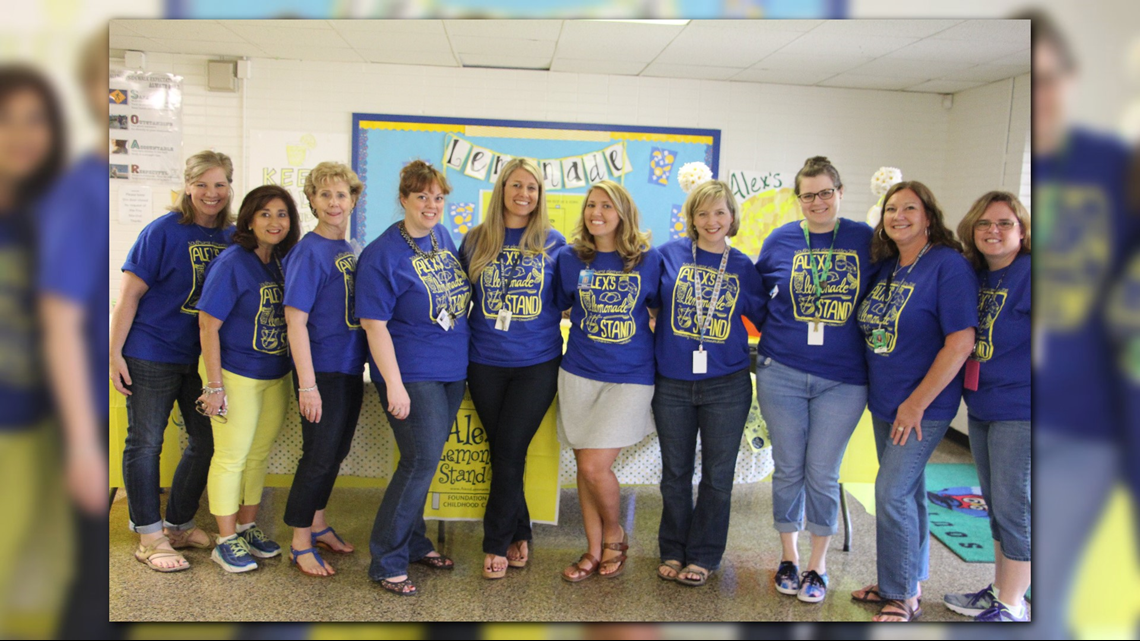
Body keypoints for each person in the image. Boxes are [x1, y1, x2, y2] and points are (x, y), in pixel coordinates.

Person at [851, 181, 977, 622]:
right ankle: (909, 578)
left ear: (928, 216)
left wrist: (917, 403)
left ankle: (900, 593)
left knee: (890, 492)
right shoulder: (889, 267)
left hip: (923, 406)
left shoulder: (948, 266)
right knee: (910, 492)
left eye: (909, 208)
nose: (898, 216)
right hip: (887, 401)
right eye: (890, 209)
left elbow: (960, 342)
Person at [753, 156, 874, 603]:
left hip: (842, 380)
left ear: (840, 192)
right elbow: (759, 295)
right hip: (781, 371)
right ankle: (787, 555)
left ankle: (817, 565)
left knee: (823, 472)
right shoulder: (781, 239)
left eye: (826, 192)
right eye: (809, 195)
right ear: (798, 199)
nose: (818, 201)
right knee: (787, 468)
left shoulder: (865, 239)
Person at [109, 150, 236, 571]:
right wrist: (112, 355)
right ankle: (148, 535)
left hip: (202, 361)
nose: (210, 193)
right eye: (201, 184)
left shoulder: (232, 237)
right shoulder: (163, 231)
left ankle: (178, 525)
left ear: (230, 187)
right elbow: (129, 297)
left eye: (219, 184)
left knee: (205, 442)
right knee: (145, 442)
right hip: (152, 352)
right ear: (187, 186)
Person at [357, 160, 471, 596]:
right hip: (411, 374)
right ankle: (386, 560)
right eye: (422, 196)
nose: (431, 205)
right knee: (419, 461)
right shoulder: (382, 254)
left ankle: (415, 542)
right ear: (403, 198)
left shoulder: (442, 238)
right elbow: (374, 325)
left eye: (439, 197)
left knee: (426, 462)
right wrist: (396, 385)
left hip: (450, 371)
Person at [652, 179, 766, 588]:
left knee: (718, 477)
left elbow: (768, 316)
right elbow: (644, 300)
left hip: (726, 385)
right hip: (673, 384)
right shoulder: (667, 256)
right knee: (675, 474)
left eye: (719, 212)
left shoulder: (742, 266)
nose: (711, 220)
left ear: (731, 218)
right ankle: (672, 548)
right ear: (691, 219)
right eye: (702, 213)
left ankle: (704, 554)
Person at [458, 158, 566, 580]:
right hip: (483, 362)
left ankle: (495, 543)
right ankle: (522, 532)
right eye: (517, 185)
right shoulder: (475, 240)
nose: (524, 194)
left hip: (536, 364)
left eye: (533, 188)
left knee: (509, 450)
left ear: (540, 196)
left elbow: (572, 298)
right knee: (504, 452)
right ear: (502, 188)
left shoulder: (554, 244)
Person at [554, 180, 662, 582]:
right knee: (584, 466)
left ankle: (615, 533)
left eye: (606, 206)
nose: (596, 213)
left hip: (630, 376)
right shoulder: (569, 258)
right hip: (579, 373)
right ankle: (593, 549)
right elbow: (557, 307)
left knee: (595, 466)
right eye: (591, 205)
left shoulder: (646, 260)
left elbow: (659, 309)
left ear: (623, 214)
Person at [195, 185, 300, 573]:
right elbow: (207, 325)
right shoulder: (233, 261)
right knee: (230, 458)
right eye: (266, 214)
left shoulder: (281, 261)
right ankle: (224, 540)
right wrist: (215, 384)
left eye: (282, 214)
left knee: (257, 456)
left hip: (274, 374)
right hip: (236, 375)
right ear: (249, 219)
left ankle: (247, 525)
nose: (275, 222)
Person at [940, 191, 1031, 622]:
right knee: (996, 505)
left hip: (1024, 408)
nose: (993, 231)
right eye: (984, 224)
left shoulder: (1033, 273)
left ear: (1023, 230)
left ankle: (1012, 605)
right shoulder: (979, 276)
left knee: (1016, 508)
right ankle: (1001, 590)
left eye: (1004, 223)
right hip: (984, 404)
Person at [282, 162, 367, 577]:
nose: (334, 203)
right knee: (317, 457)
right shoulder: (308, 251)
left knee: (335, 452)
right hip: (322, 372)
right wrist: (307, 385)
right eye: (325, 195)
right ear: (312, 200)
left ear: (353, 200)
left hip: (349, 368)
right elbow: (294, 320)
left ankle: (317, 524)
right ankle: (300, 542)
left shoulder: (347, 249)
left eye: (342, 195)